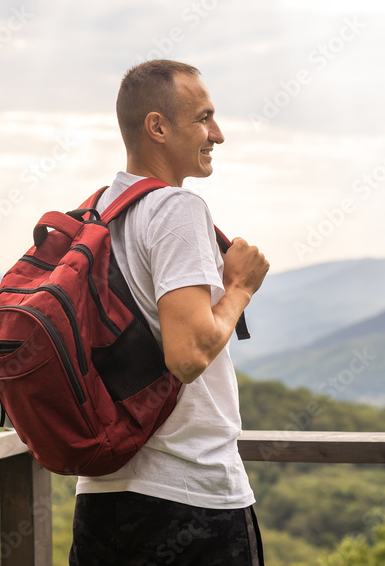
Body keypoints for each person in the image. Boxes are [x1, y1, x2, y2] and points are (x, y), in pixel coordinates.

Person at [69, 60, 270, 565]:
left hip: (101, 499)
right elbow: (188, 354)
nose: (217, 134)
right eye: (204, 118)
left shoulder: (96, 215)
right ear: (157, 126)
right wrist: (240, 287)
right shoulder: (177, 209)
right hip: (191, 498)